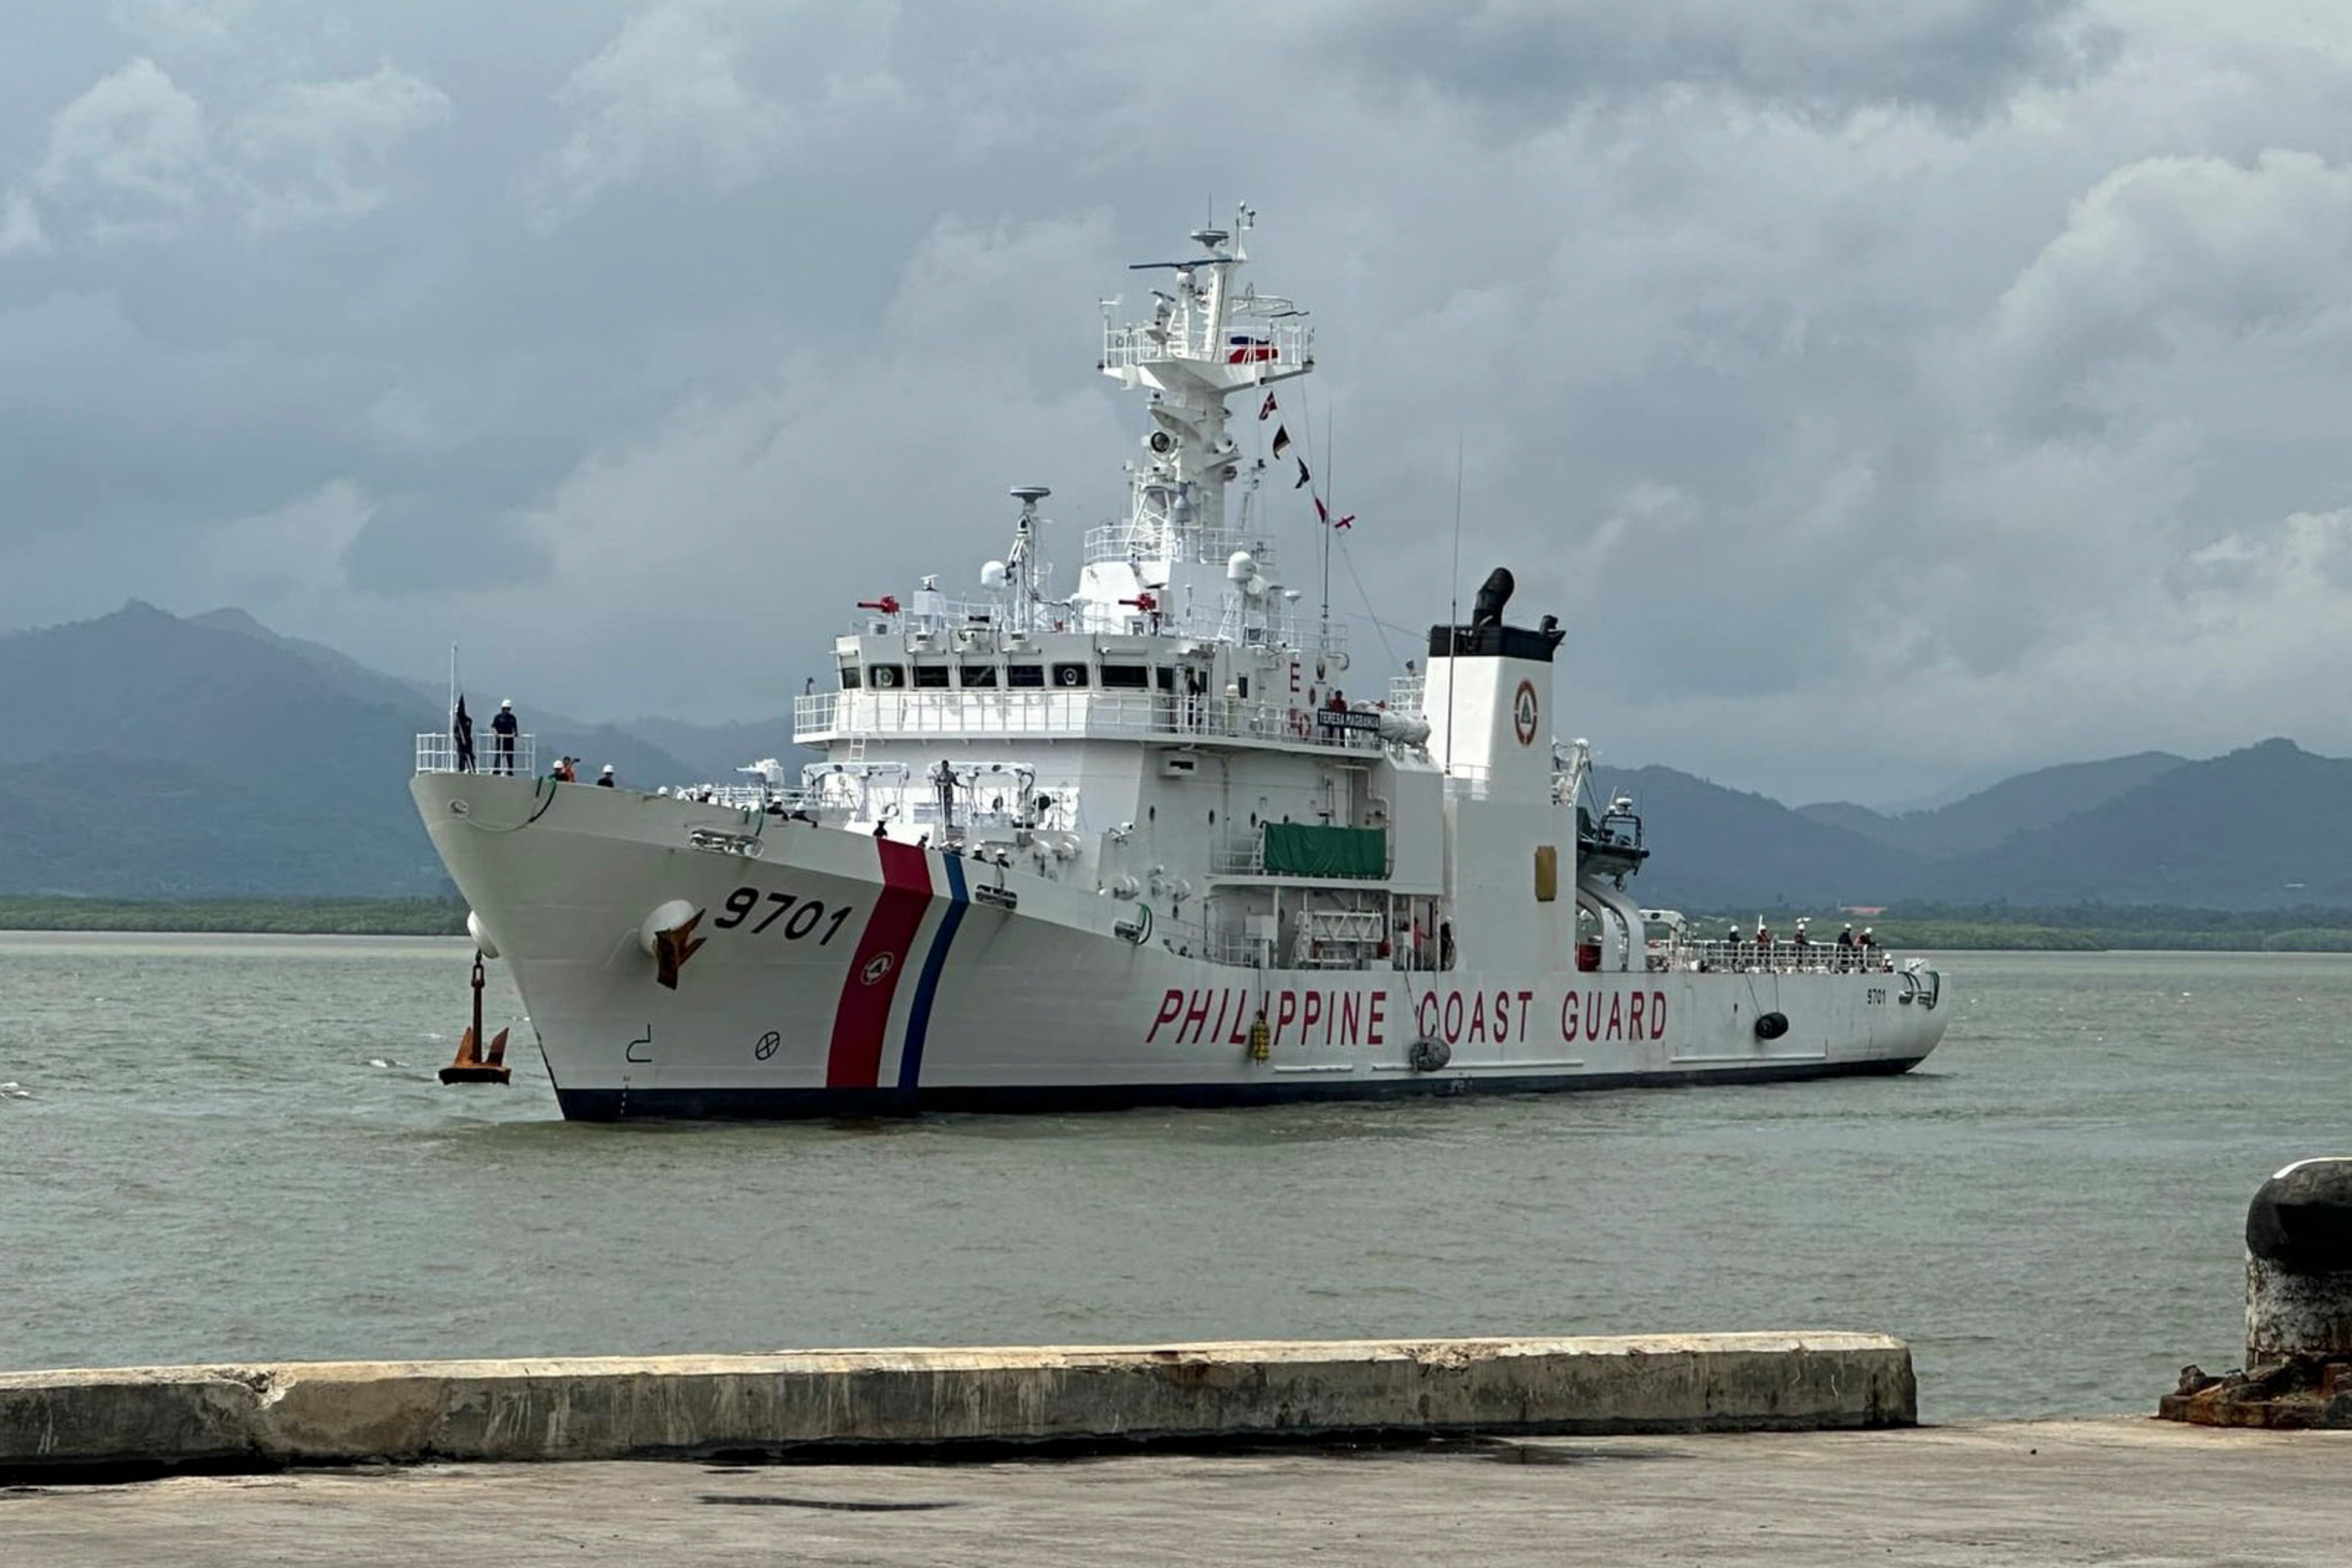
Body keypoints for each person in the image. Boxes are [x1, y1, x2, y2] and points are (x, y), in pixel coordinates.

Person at [491, 698, 519, 775]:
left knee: (510, 756)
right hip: (500, 740)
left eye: (508, 709)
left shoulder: (512, 718)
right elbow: (493, 727)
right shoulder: (498, 717)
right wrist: (496, 733)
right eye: (506, 709)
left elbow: (515, 730)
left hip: (509, 741)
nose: (507, 711)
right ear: (502, 709)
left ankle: (510, 771)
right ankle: (497, 770)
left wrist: (514, 734)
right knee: (498, 756)